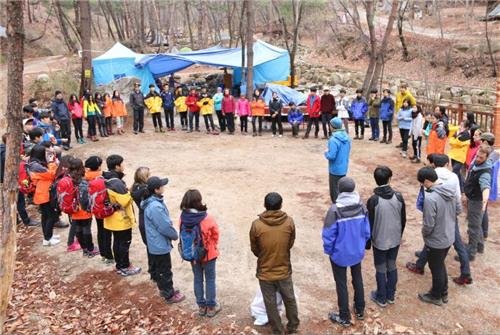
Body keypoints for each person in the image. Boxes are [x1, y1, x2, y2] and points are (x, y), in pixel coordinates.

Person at [406, 154, 472, 286]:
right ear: (447, 164)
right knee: (457, 244)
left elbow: (426, 198)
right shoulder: (453, 176)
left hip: (436, 215)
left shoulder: (430, 176)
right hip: (451, 215)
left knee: (432, 239)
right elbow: (458, 200)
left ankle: (421, 267)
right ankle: (465, 272)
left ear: (434, 164)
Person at [322, 177, 370, 327]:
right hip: (356, 252)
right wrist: (362, 245)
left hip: (339, 254)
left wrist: (329, 251)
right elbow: (367, 231)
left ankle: (344, 316)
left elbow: (328, 234)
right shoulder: (362, 207)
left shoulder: (335, 210)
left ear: (339, 189)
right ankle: (360, 309)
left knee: (341, 283)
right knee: (358, 278)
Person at [249, 192, 299, 334]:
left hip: (265, 272)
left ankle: (277, 330)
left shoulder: (256, 225)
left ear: (265, 205)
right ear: (281, 205)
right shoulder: (289, 222)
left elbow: (255, 248)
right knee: (289, 299)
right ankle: (293, 326)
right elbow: (290, 243)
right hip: (283, 269)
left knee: (270, 303)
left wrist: (264, 256)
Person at [416, 166, 458, 306]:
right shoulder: (450, 190)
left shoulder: (431, 198)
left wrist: (424, 234)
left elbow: (429, 224)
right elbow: (458, 209)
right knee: (440, 265)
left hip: (436, 239)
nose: (422, 186)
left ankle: (436, 296)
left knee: (435, 267)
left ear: (427, 181)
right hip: (449, 234)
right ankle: (443, 291)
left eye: (422, 183)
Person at [141, 176, 185, 304]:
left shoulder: (152, 202)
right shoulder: (155, 206)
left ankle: (166, 289)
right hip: (159, 243)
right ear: (156, 189)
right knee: (164, 269)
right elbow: (164, 226)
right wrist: (174, 235)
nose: (163, 187)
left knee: (161, 268)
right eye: (162, 185)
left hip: (155, 241)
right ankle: (168, 294)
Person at [366, 166, 405, 307]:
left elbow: (368, 224)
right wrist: (399, 235)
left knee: (381, 268)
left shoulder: (373, 200)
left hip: (380, 240)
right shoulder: (398, 196)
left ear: (375, 180)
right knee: (392, 265)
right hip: (394, 238)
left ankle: (381, 297)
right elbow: (403, 219)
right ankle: (391, 295)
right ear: (390, 178)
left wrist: (368, 242)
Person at [179, 189, 221, 317]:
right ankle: (211, 307)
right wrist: (211, 245)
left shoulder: (183, 217)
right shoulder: (206, 217)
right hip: (208, 254)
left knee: (197, 279)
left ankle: (201, 306)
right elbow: (216, 234)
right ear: (198, 201)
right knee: (210, 279)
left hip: (192, 255)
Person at [103, 154, 141, 276]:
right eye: (122, 164)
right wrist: (130, 193)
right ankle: (124, 266)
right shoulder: (117, 183)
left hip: (112, 219)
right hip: (121, 219)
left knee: (117, 242)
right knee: (124, 243)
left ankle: (119, 265)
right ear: (117, 166)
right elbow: (124, 201)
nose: (123, 166)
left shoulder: (106, 178)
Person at [66, 157, 100, 257]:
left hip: (73, 208)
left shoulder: (68, 178)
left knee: (78, 229)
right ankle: (90, 249)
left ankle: (84, 249)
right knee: (86, 229)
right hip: (84, 208)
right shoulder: (83, 180)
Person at [464, 145, 492, 260]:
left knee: (473, 227)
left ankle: (471, 252)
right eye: (477, 156)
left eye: (481, 158)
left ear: (486, 158)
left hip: (477, 201)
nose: (478, 159)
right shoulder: (476, 163)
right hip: (471, 197)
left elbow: (485, 187)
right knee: (477, 225)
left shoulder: (485, 172)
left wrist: (484, 202)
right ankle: (479, 246)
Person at [27, 144, 59, 246]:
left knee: (45, 215)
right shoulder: (36, 166)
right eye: (45, 152)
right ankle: (47, 238)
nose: (47, 154)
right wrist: (51, 163)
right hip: (44, 193)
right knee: (51, 216)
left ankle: (48, 235)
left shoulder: (34, 163)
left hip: (43, 192)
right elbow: (52, 174)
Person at [84, 156, 114, 263]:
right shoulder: (101, 177)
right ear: (99, 166)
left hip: (94, 207)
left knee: (100, 230)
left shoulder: (85, 176)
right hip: (103, 207)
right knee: (107, 232)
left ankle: (103, 254)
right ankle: (109, 255)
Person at [131, 167, 154, 278]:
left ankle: (152, 269)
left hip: (142, 218)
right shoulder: (145, 190)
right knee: (153, 247)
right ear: (144, 177)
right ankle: (154, 271)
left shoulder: (135, 188)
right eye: (149, 175)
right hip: (147, 218)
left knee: (149, 247)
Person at [325, 117, 352, 203]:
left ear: (332, 126)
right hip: (344, 167)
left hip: (335, 169)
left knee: (334, 191)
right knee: (341, 189)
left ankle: (337, 208)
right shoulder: (347, 137)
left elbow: (331, 156)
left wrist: (326, 153)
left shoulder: (333, 139)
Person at [478, 132, 498, 242]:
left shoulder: (489, 155)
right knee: (484, 209)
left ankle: (482, 232)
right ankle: (484, 231)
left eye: (481, 141)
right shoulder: (493, 153)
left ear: (485, 142)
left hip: (485, 184)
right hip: (487, 184)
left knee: (483, 209)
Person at [448, 121, 471, 192]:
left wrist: (454, 137)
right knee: (458, 173)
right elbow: (452, 141)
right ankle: (463, 188)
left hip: (460, 157)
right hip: (455, 155)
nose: (460, 127)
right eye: (460, 125)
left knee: (454, 172)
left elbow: (453, 142)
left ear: (466, 127)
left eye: (462, 126)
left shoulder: (465, 134)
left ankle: (452, 188)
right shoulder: (460, 133)